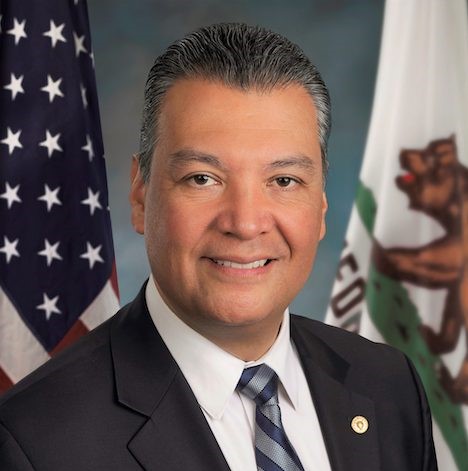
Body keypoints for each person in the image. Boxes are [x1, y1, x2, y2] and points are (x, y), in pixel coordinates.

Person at [0, 23, 437, 471]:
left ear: (321, 205)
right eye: (202, 179)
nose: (245, 223)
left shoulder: (388, 387)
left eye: (284, 181)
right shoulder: (35, 443)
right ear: (139, 194)